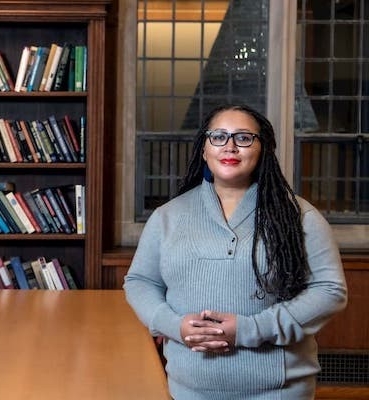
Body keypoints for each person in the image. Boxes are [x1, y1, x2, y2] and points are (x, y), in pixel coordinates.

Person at [123, 104, 347, 400]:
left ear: (263, 149)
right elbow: (140, 282)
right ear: (204, 149)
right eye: (218, 136)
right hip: (189, 389)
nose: (229, 146)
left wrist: (250, 329)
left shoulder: (300, 216)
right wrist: (172, 325)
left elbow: (330, 290)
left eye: (243, 138)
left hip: (279, 391)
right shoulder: (168, 216)